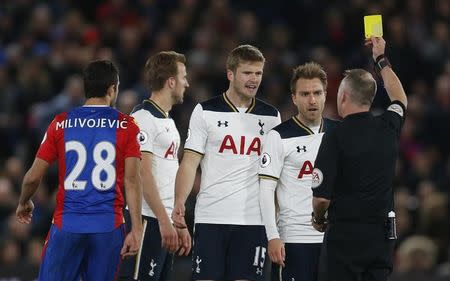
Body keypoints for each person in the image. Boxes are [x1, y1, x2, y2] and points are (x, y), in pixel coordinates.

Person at [16, 60, 143, 281]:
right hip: (108, 227)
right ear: (112, 88)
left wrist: (24, 201)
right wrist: (137, 229)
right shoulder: (127, 126)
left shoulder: (60, 123)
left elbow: (33, 177)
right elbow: (132, 181)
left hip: (67, 224)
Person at [172, 44, 281, 281]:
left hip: (253, 220)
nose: (254, 79)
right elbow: (190, 162)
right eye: (247, 73)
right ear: (230, 74)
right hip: (211, 217)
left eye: (258, 73)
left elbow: (274, 173)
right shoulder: (205, 111)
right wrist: (179, 201)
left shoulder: (272, 117)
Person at [311, 36, 408, 281]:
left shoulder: (335, 135)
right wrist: (381, 60)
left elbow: (321, 197)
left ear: (343, 96)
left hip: (346, 237)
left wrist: (318, 218)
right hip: (382, 237)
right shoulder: (388, 125)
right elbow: (400, 99)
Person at [259, 62, 337, 281]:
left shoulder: (339, 133)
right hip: (294, 239)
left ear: (325, 94)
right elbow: (266, 189)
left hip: (334, 240)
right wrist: (272, 236)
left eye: (317, 93)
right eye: (304, 94)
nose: (312, 100)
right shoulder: (279, 136)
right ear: (294, 98)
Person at [118, 51, 191, 281]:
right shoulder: (142, 118)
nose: (186, 83)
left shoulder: (167, 120)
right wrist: (162, 219)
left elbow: (168, 175)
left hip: (163, 220)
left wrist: (176, 221)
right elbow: (143, 173)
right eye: (183, 77)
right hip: (147, 220)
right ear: (171, 82)